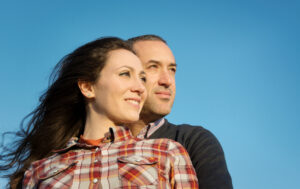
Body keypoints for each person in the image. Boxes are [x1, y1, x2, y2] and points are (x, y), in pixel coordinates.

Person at [0, 37, 198, 188]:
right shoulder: (38, 172)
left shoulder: (167, 152)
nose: (140, 88)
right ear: (88, 87)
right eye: (125, 74)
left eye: (142, 78)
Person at [127, 35, 233, 189]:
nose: (167, 80)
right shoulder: (90, 145)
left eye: (172, 70)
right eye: (153, 67)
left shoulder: (194, 141)